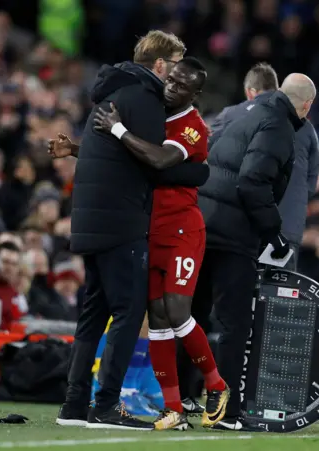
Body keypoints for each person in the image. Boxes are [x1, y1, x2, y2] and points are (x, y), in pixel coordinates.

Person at [50, 31, 209, 430]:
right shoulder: (146, 98)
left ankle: (73, 405)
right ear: (159, 65)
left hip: (90, 217)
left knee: (94, 311)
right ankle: (105, 406)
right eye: (173, 66)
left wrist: (76, 149)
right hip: (121, 219)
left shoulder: (112, 92)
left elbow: (111, 154)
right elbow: (157, 162)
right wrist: (201, 172)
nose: (175, 76)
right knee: (129, 309)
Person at [92, 57, 229, 431]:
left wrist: (118, 129)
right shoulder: (153, 115)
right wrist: (77, 149)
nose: (172, 87)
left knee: (178, 311)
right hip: (151, 230)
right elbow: (132, 162)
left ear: (195, 93)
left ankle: (216, 385)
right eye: (171, 80)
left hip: (184, 230)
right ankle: (173, 408)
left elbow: (158, 158)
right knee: (158, 321)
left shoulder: (193, 128)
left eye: (183, 85)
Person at [193, 73, 316, 431]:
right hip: (233, 237)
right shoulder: (279, 126)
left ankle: (182, 399)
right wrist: (273, 233)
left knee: (194, 318)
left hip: (204, 227)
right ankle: (224, 413)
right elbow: (251, 181)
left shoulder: (242, 115)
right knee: (235, 325)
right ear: (306, 106)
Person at [209, 63, 319, 270]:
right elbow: (310, 185)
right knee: (277, 299)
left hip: (235, 225)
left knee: (230, 295)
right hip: (286, 227)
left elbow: (209, 158)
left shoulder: (231, 116)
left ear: (250, 92)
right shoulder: (307, 129)